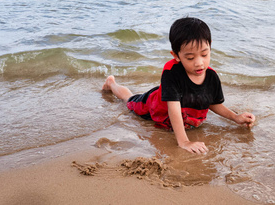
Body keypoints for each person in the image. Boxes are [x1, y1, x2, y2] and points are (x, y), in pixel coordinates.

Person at [102, 17, 255, 154]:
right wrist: (184, 141)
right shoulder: (171, 73)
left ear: (210, 47)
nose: (199, 62)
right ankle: (112, 83)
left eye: (204, 54)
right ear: (176, 56)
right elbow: (173, 108)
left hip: (174, 102)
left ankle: (113, 83)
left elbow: (213, 103)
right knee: (129, 100)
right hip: (154, 105)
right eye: (190, 57)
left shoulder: (212, 77)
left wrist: (235, 117)